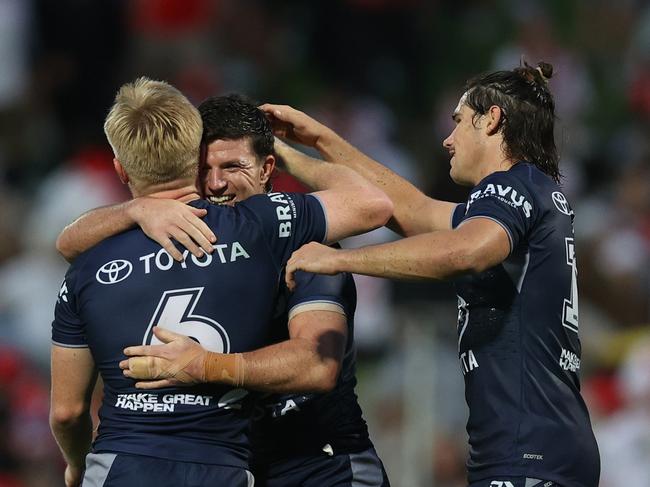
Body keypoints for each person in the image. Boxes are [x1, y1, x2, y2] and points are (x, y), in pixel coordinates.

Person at [258, 63, 599, 487]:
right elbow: (411, 210)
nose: (447, 139)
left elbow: (466, 251)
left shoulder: (509, 188)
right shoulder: (529, 193)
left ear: (491, 119)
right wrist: (311, 145)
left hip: (528, 454)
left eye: (458, 122)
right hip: (538, 447)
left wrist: (340, 260)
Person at [49, 80, 392, 487]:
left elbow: (316, 365)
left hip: (317, 467)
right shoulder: (234, 229)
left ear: (268, 168)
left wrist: (205, 365)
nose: (215, 184)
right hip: (237, 466)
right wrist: (137, 209)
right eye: (204, 168)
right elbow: (67, 241)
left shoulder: (300, 241)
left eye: (232, 167)